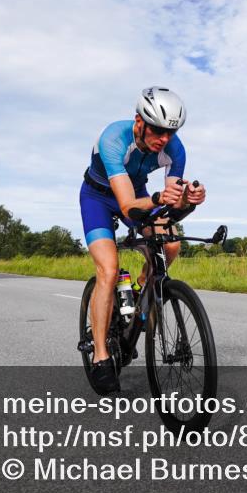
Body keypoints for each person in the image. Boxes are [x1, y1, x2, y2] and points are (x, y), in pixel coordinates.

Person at [80, 87, 206, 394]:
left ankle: (142, 289)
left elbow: (170, 204)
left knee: (171, 243)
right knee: (108, 270)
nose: (164, 139)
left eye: (171, 132)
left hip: (138, 194)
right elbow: (126, 207)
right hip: (100, 199)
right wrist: (161, 198)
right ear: (139, 121)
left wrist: (188, 200)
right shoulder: (114, 139)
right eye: (158, 131)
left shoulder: (176, 151)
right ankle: (100, 355)